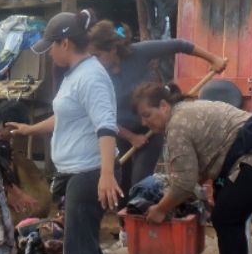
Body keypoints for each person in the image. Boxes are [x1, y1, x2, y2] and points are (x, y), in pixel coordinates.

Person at [131, 82, 252, 254]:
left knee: (225, 219)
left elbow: (184, 183)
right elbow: (196, 172)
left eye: (147, 115)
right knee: (228, 212)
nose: (144, 122)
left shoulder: (177, 126)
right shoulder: (185, 110)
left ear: (163, 106)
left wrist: (160, 209)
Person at [8, 10, 122, 254]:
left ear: (66, 43)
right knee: (81, 245)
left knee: (80, 251)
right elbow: (65, 117)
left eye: (51, 46)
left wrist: (106, 174)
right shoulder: (76, 74)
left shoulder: (91, 76)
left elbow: (106, 125)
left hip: (90, 172)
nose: (49, 53)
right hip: (80, 173)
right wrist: (30, 129)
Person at [87, 20, 228, 201]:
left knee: (139, 184)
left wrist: (213, 59)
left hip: (150, 131)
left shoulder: (138, 52)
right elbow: (100, 115)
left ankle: (139, 221)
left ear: (112, 49)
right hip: (120, 134)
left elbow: (179, 45)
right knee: (121, 185)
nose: (95, 61)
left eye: (97, 55)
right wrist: (131, 137)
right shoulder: (98, 75)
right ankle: (126, 228)